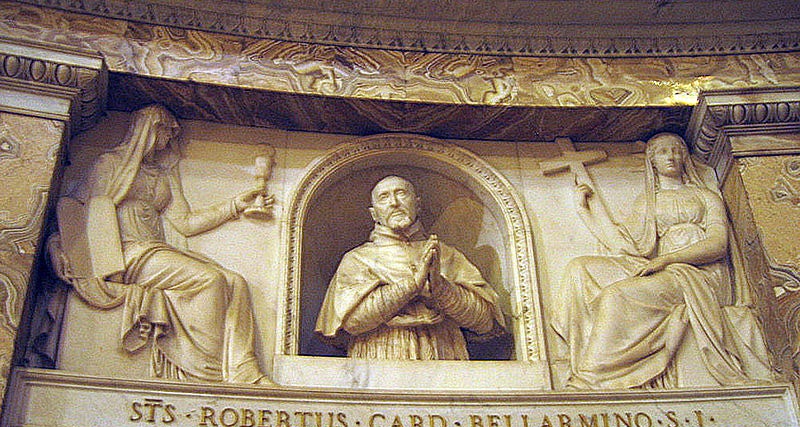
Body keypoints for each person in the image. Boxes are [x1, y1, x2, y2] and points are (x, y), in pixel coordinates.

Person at [51, 104, 269, 384]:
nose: (169, 141)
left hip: (153, 251)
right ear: (151, 131)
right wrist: (57, 248)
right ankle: (205, 373)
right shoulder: (111, 165)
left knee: (235, 282)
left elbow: (186, 223)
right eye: (167, 133)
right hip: (123, 254)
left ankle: (244, 371)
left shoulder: (163, 174)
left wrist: (235, 205)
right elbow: (75, 210)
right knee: (211, 280)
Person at [552, 133, 772, 389]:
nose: (671, 157)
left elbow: (717, 245)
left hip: (700, 273)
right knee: (580, 268)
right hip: (663, 268)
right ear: (652, 161)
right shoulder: (648, 201)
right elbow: (625, 245)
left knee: (617, 295)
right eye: (663, 152)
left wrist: (666, 260)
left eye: (676, 151)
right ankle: (577, 360)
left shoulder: (706, 196)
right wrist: (585, 210)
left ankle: (591, 377)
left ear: (685, 157)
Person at [315, 175, 505, 360]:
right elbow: (351, 321)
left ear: (418, 204)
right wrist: (412, 285)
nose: (394, 202)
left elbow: (484, 322)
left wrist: (440, 287)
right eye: (384, 197)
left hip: (445, 352)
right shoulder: (358, 259)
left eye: (401, 193)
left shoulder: (447, 255)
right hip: (380, 355)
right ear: (374, 214)